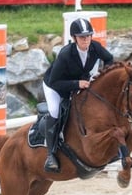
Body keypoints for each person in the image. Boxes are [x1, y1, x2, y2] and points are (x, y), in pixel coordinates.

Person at [41, 17, 114, 173]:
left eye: (88, 36)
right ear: (74, 38)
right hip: (55, 86)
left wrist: (103, 75)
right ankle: (51, 155)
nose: (86, 40)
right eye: (82, 37)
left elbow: (109, 59)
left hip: (77, 84)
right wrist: (76, 84)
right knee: (55, 111)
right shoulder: (65, 54)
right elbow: (55, 81)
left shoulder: (95, 47)